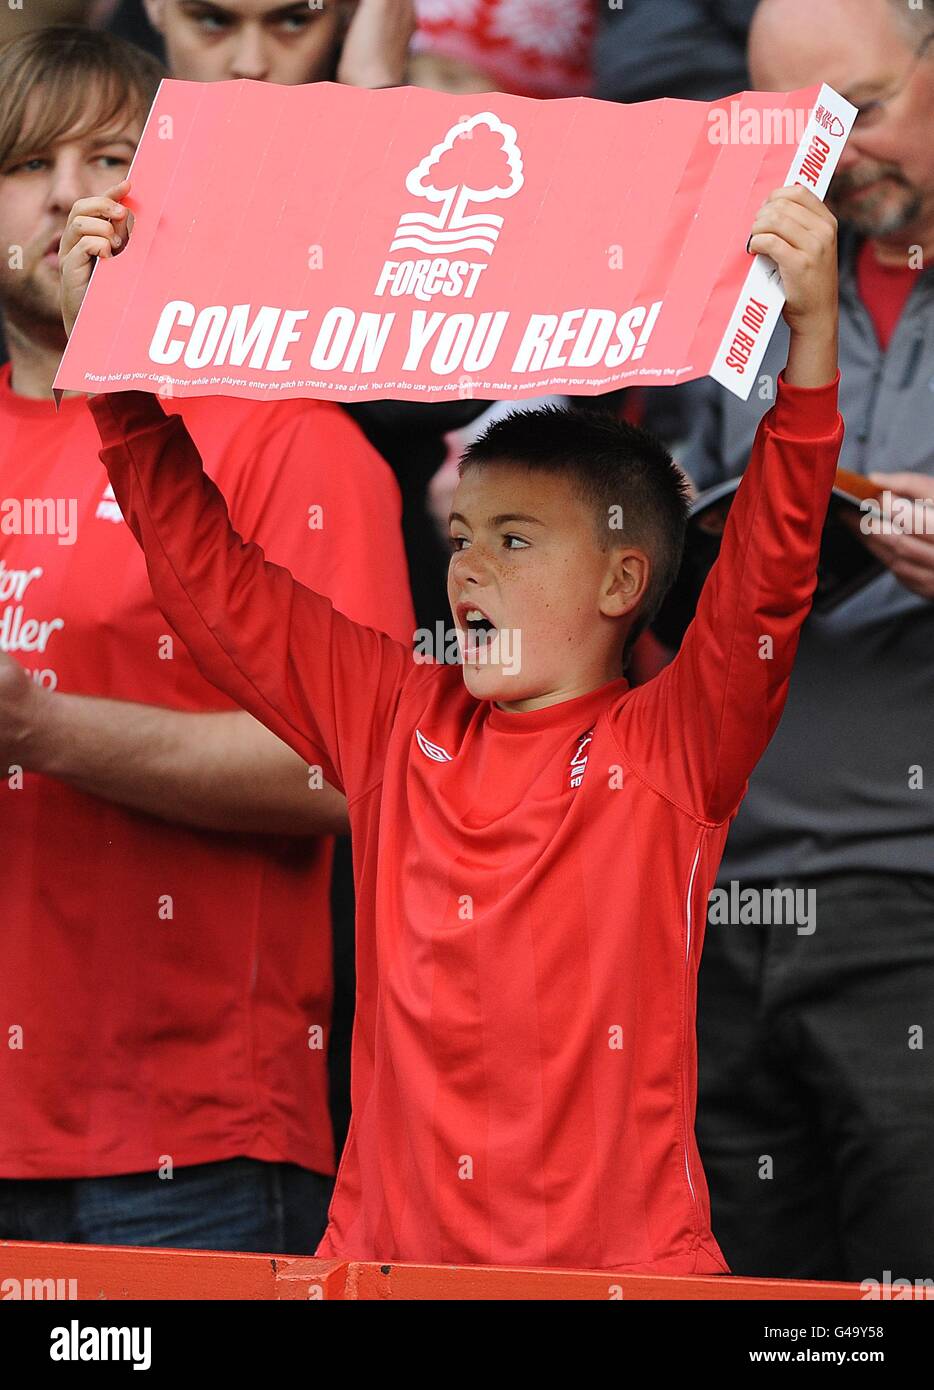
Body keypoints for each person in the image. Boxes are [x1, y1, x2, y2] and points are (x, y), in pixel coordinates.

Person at [63, 168, 843, 1269]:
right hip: (388, 1269)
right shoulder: (390, 715)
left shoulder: (672, 743)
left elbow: (766, 575)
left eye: (514, 539)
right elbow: (214, 585)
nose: (465, 565)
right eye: (465, 533)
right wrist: (117, 368)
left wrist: (808, 349)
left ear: (624, 582)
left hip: (622, 1278)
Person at [0, 25, 413, 1252]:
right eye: (27, 163)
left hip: (193, 1146)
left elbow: (355, 767)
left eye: (108, 157)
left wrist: (44, 729)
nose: (68, 195)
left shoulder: (282, 436)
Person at [678, 0, 934, 1282]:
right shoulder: (736, 262)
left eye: (865, 107)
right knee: (757, 1300)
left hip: (913, 892)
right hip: (716, 889)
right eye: (795, 127)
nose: (830, 159)